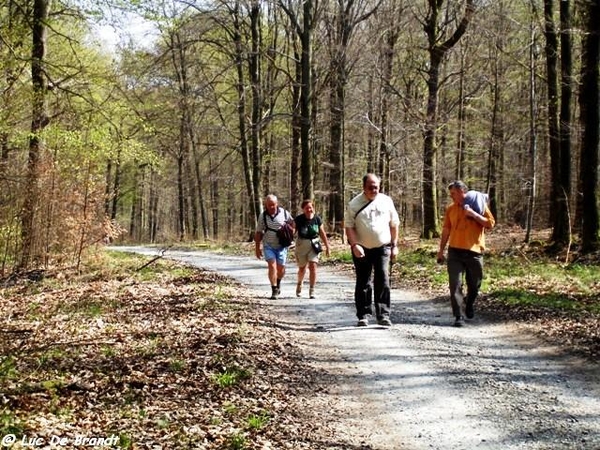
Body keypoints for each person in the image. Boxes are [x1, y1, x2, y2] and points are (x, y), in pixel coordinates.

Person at [437, 180, 496, 327]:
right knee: (455, 284)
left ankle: (469, 303)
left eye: (454, 194)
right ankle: (458, 316)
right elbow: (446, 230)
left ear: (462, 192)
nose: (451, 197)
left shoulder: (479, 204)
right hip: (455, 251)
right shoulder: (451, 209)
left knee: (474, 285)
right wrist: (441, 250)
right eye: (450, 194)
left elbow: (490, 224)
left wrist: (474, 214)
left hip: (474, 252)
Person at [345, 174, 400, 327]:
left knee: (382, 278)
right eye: (370, 187)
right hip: (361, 247)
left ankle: (383, 314)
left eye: (376, 187)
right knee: (363, 281)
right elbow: (349, 226)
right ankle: (363, 314)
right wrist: (354, 245)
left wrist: (395, 245)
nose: (373, 190)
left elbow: (394, 224)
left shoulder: (386, 201)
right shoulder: (355, 203)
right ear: (364, 187)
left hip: (383, 246)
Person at [254, 195, 294, 299]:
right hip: (268, 245)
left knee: (281, 269)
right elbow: (258, 232)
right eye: (269, 205)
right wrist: (257, 248)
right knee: (272, 266)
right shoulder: (263, 216)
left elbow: (293, 224)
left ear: (277, 204)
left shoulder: (284, 213)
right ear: (266, 205)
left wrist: (289, 234)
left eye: (273, 205)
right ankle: (274, 289)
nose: (271, 207)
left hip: (282, 246)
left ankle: (278, 282)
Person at [294, 200, 331, 299]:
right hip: (301, 245)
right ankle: (299, 283)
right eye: (306, 208)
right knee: (302, 268)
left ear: (313, 208)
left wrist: (327, 246)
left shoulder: (317, 219)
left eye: (310, 207)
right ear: (303, 209)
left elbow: (322, 233)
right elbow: (293, 231)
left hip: (314, 245)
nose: (309, 210)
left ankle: (312, 290)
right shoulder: (299, 219)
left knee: (313, 267)